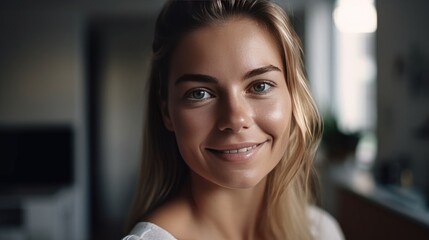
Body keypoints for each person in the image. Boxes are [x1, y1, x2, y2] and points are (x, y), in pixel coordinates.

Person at [123, 0, 344, 239]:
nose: (236, 119)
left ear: (293, 96)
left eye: (260, 86)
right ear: (167, 112)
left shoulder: (321, 231)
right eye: (200, 93)